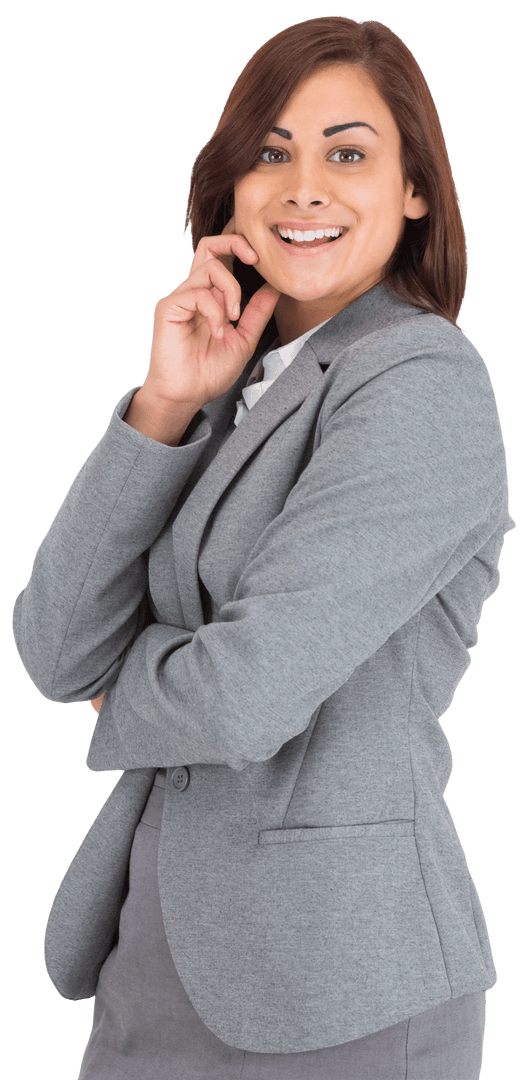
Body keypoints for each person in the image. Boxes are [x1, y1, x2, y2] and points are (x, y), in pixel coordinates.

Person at [11, 15, 514, 1080]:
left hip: (338, 982)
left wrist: (120, 689)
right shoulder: (235, 384)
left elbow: (245, 694)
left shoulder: (424, 382)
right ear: (231, 186)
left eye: (348, 154)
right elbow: (55, 650)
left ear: (415, 189)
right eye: (272, 153)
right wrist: (164, 405)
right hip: (153, 958)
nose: (303, 188)